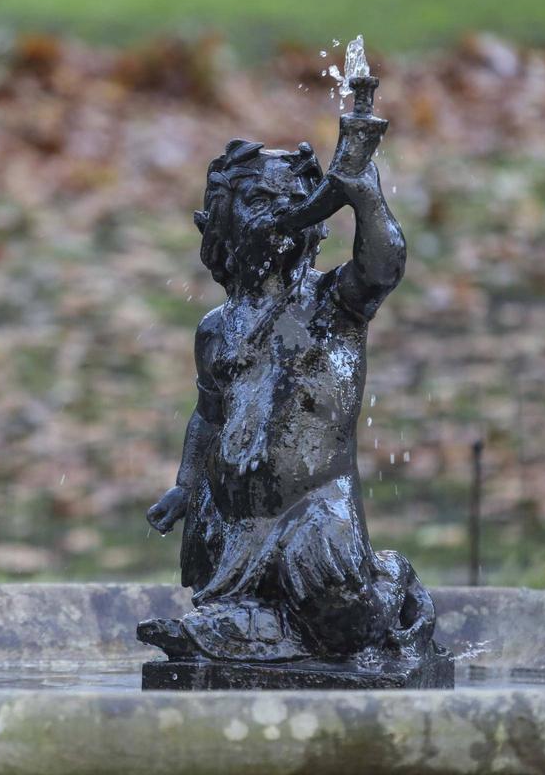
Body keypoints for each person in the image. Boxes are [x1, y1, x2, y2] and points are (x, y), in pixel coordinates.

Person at [139, 138, 437, 663]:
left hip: (313, 514)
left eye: (293, 200)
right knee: (238, 589)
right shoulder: (216, 329)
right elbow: (208, 416)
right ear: (222, 224)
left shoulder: (331, 305)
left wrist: (366, 200)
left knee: (347, 627)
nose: (278, 215)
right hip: (239, 525)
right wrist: (186, 486)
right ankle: (247, 627)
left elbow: (382, 267)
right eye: (259, 202)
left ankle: (389, 582)